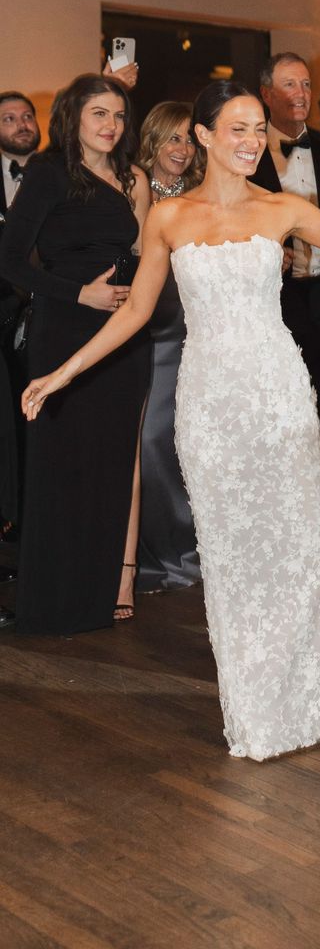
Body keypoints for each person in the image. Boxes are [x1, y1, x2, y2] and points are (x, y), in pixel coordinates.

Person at [20, 81, 320, 760]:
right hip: (210, 405)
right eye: (239, 129)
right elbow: (134, 312)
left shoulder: (283, 209)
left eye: (259, 129)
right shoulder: (167, 219)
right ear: (204, 136)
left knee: (305, 547)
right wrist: (61, 373)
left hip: (279, 394)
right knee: (235, 560)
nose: (253, 141)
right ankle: (257, 711)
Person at [0, 74, 151, 634]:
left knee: (111, 464)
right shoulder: (48, 172)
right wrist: (78, 293)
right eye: (99, 114)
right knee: (61, 464)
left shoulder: (131, 176)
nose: (111, 125)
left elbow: (144, 251)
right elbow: (9, 260)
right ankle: (51, 603)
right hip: (64, 328)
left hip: (124, 334)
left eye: (118, 115)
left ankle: (95, 597)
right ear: (73, 117)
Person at [256, 53, 320, 486]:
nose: (301, 94)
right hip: (274, 299)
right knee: (282, 404)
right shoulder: (248, 152)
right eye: (289, 84)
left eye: (306, 84)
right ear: (266, 94)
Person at [135, 102, 203, 592]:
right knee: (150, 442)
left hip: (193, 329)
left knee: (185, 442)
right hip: (147, 327)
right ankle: (157, 552)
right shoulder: (132, 187)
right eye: (172, 138)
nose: (182, 150)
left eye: (188, 140)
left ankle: (191, 551)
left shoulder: (202, 196)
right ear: (153, 139)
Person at [0, 90, 41, 542]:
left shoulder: (55, 173)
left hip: (48, 308)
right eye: (9, 118)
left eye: (27, 116)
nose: (21, 124)